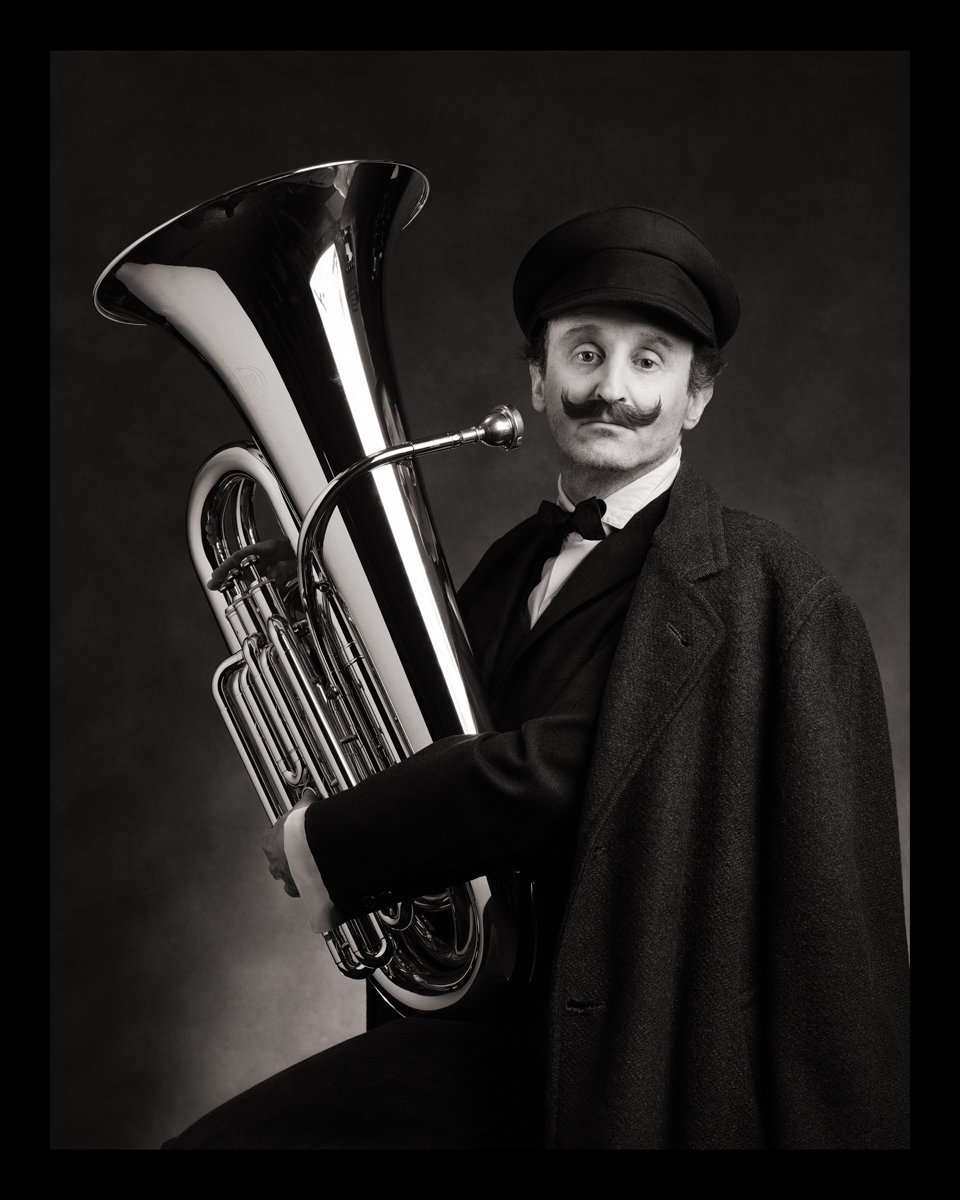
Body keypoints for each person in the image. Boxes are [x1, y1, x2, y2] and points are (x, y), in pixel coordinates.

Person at [163, 207, 909, 1150]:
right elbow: (418, 747)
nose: (614, 390)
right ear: (537, 378)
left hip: (654, 1068)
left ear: (698, 396)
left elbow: (571, 769)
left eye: (650, 361)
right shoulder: (503, 569)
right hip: (486, 1047)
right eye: (585, 354)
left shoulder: (777, 595)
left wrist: (329, 840)